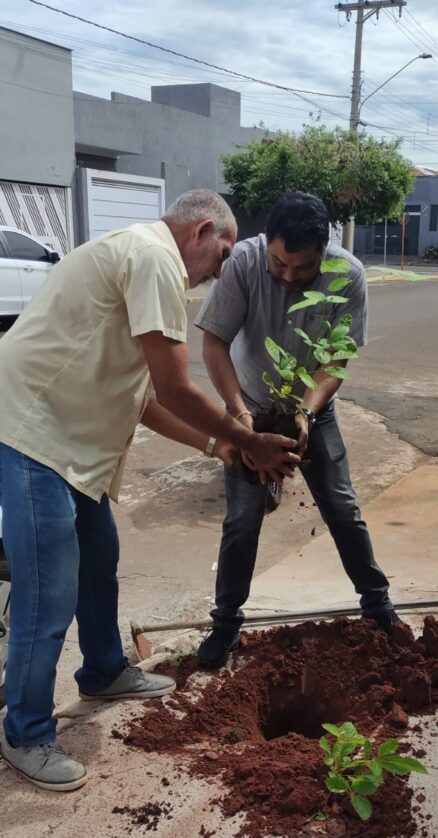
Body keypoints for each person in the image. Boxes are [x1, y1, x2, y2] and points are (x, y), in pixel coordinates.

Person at [0, 189, 298, 792]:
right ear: (203, 231)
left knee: (99, 560)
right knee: (49, 590)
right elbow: (175, 387)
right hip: (33, 429)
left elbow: (143, 398)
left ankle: (105, 669)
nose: (217, 273)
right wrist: (249, 438)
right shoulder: (154, 257)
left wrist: (221, 447)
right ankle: (25, 730)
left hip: (72, 440)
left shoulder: (138, 260)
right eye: (221, 256)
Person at [195, 190, 400, 669]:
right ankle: (225, 622)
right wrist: (241, 421)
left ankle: (376, 602)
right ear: (267, 243)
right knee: (242, 521)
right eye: (279, 263)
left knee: (343, 508)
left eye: (301, 268)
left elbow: (336, 358)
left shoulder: (347, 276)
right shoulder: (243, 263)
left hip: (312, 410)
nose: (287, 275)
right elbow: (214, 346)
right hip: (249, 409)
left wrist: (306, 412)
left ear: (323, 251)